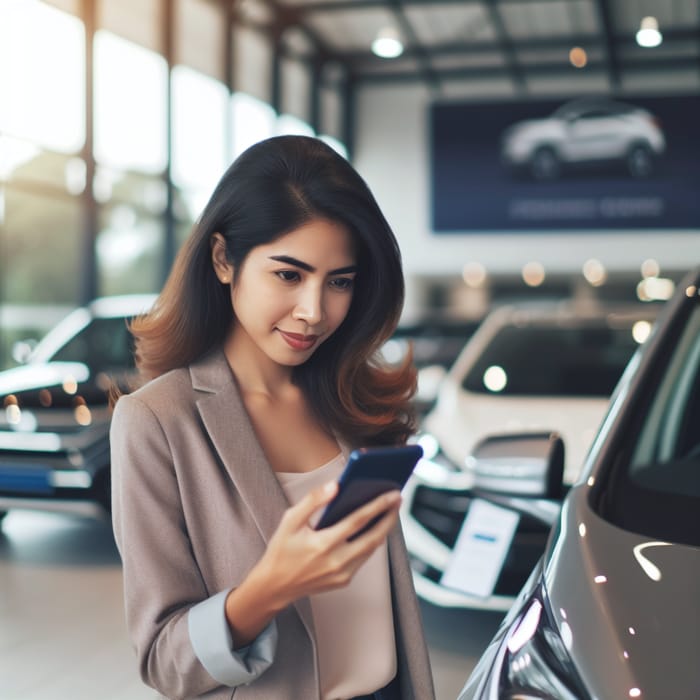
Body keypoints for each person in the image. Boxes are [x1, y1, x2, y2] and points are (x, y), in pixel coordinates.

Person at [110, 135, 436, 700]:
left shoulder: (354, 402)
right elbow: (164, 661)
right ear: (222, 260)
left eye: (339, 282)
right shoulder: (158, 421)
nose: (314, 311)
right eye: (289, 275)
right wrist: (265, 590)